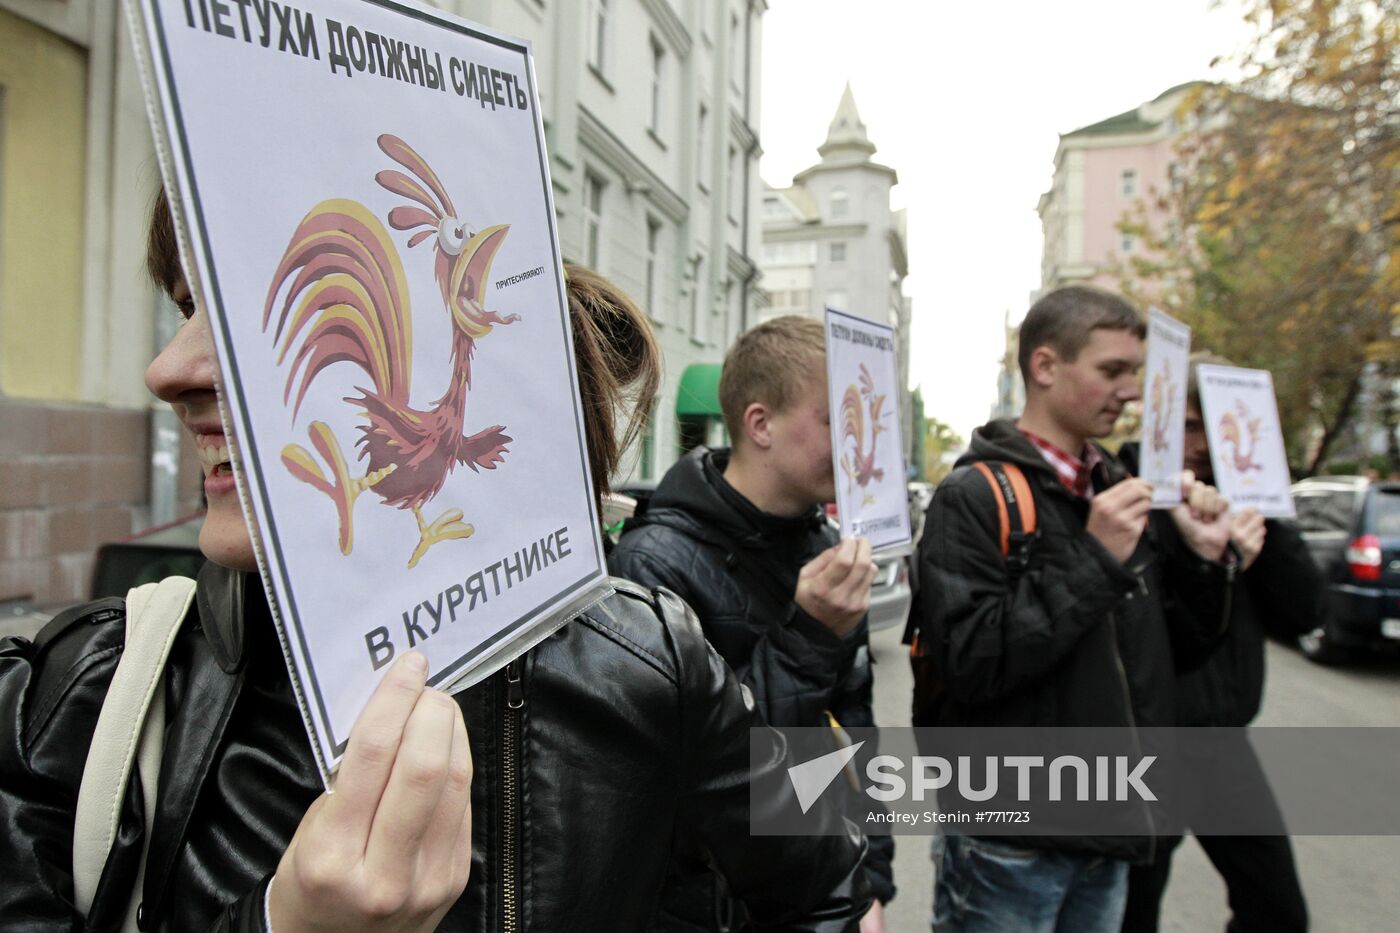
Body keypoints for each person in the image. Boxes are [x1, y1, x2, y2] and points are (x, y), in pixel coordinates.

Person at [0, 192, 874, 931]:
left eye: (242, 305)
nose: (169, 368)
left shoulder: (651, 653)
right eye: (186, 303)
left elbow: (832, 864)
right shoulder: (84, 697)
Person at [911, 285, 1235, 933]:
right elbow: (973, 663)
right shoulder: (975, 495)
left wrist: (1204, 563)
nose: (1132, 392)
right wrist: (1095, 559)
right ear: (1046, 367)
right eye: (1112, 370)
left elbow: (1174, 657)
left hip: (1110, 830)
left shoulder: (1117, 488)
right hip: (1013, 842)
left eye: (1135, 373)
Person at [611, 315, 895, 933]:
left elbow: (852, 730)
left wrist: (871, 881)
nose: (860, 444)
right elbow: (697, 782)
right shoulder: (652, 561)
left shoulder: (825, 541)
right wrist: (810, 637)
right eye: (837, 420)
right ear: (760, 424)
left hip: (822, 886)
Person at [1119, 352, 1320, 933]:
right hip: (1147, 750)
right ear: (1154, 421)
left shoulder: (1248, 497)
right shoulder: (1125, 490)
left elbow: (1306, 612)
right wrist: (1206, 562)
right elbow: (1142, 626)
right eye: (1187, 425)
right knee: (1132, 913)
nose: (1202, 443)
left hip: (1223, 745)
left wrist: (1265, 529)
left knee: (1277, 910)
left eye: (1215, 425)